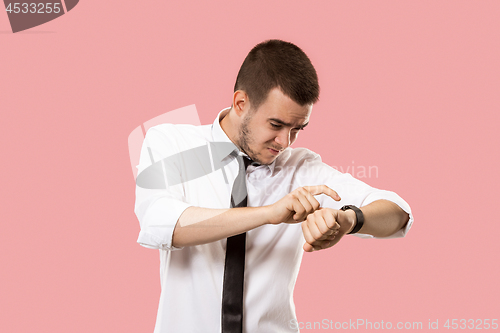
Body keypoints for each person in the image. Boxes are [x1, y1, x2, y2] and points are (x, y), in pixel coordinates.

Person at [134, 39, 413, 333]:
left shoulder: (301, 168)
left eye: (297, 129)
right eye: (276, 125)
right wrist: (269, 213)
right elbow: (162, 224)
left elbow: (399, 214)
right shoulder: (171, 144)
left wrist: (348, 219)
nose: (286, 142)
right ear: (241, 103)